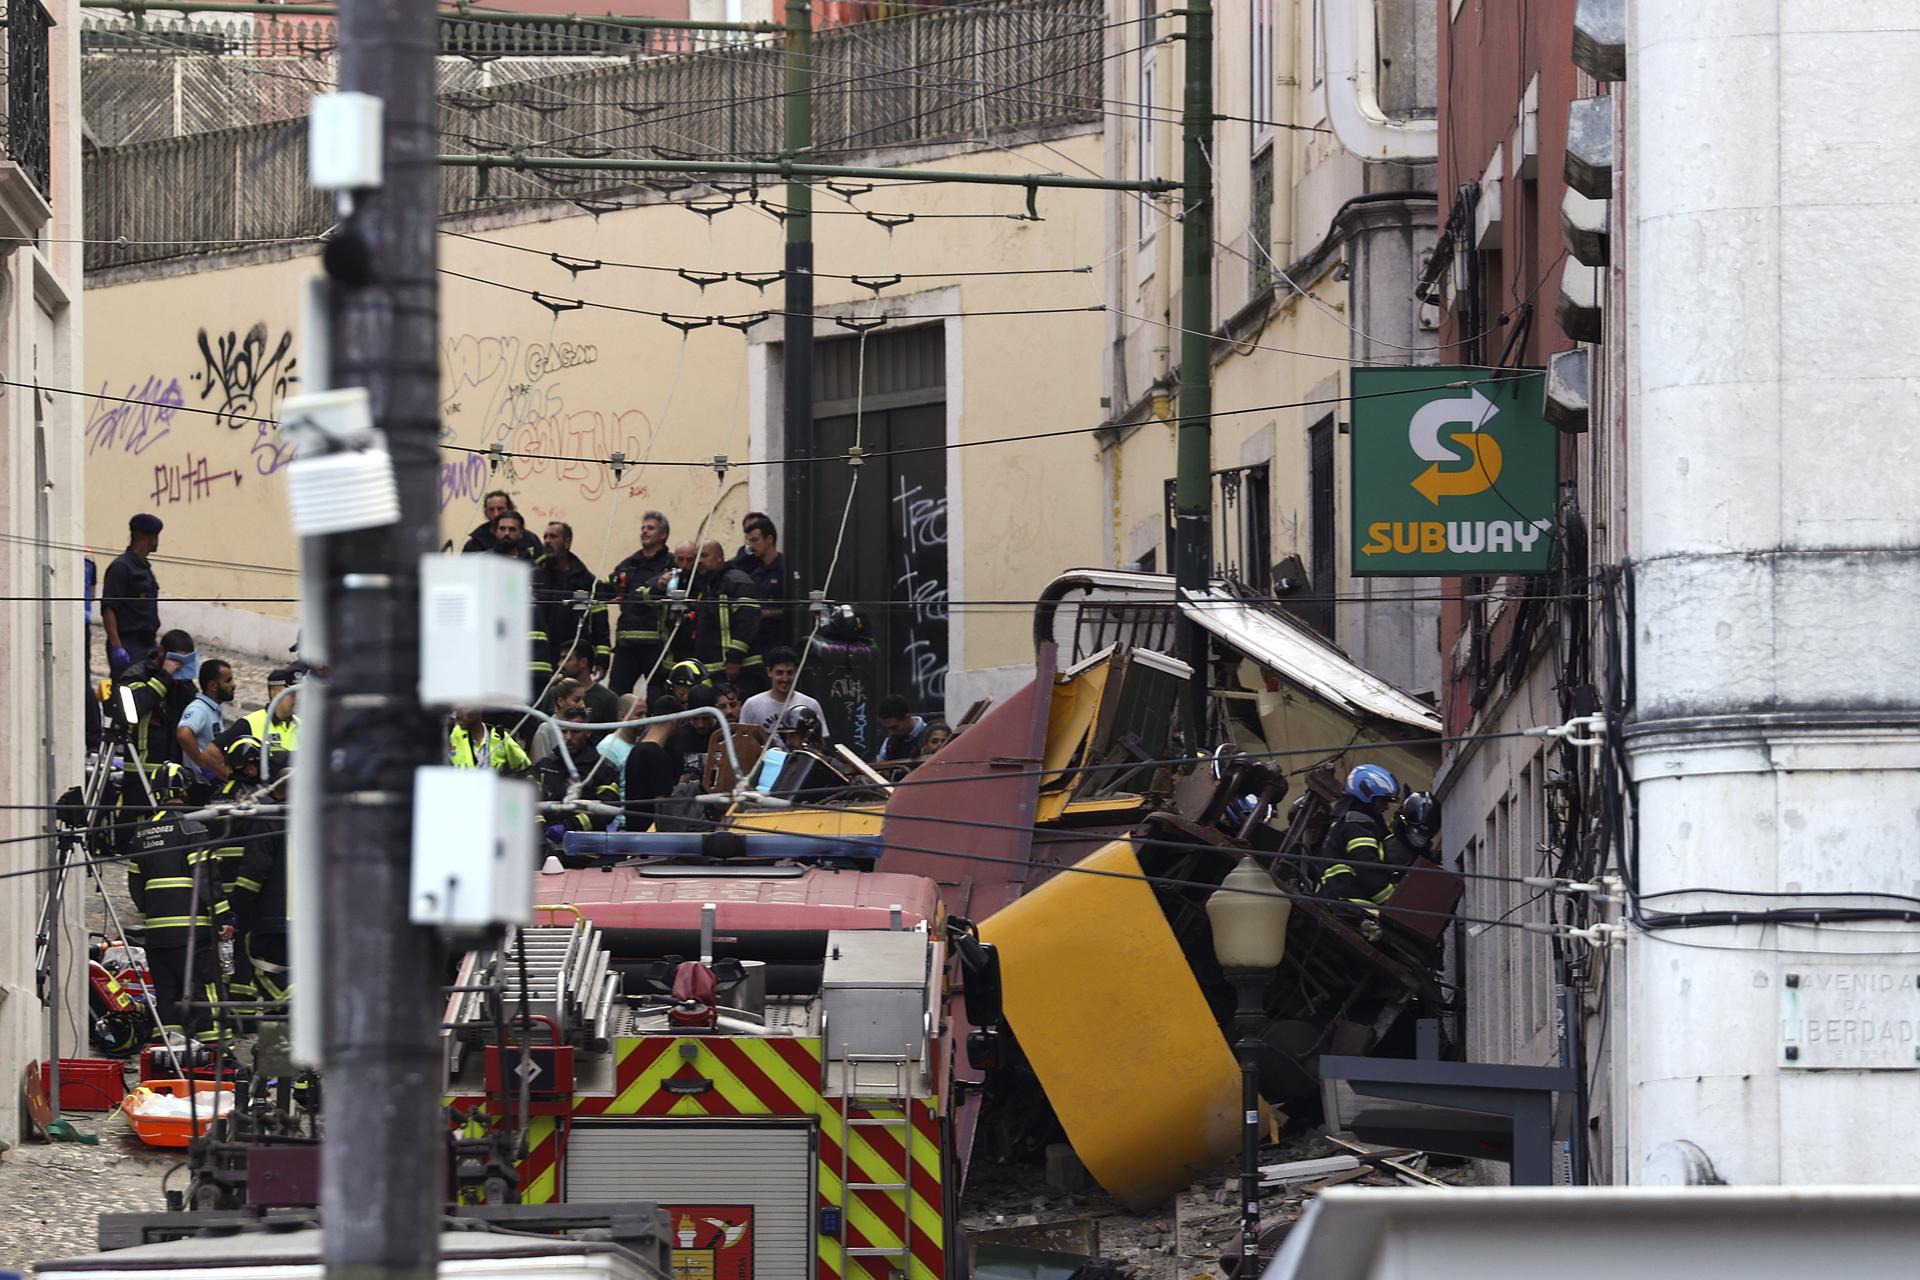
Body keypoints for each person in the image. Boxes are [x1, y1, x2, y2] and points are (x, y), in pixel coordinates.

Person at [127, 762, 223, 1047]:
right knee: (200, 991)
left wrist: (153, 912)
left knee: (166, 995)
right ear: (184, 791)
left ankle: (166, 1053)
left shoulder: (142, 833)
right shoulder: (192, 828)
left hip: (157, 934)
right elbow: (205, 879)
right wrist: (223, 915)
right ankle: (215, 1052)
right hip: (192, 933)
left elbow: (136, 887)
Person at [1315, 764, 1402, 926]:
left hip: (1338, 902)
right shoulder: (1357, 823)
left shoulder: (1346, 820)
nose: (1385, 807)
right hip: (1352, 905)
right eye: (1383, 800)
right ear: (1367, 794)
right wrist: (1394, 904)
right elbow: (1367, 866)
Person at [531, 521, 610, 699]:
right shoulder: (534, 578)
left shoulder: (587, 581)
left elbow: (600, 624)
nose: (547, 541)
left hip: (574, 656)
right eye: (545, 536)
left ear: (567, 542)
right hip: (541, 658)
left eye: (553, 537)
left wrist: (602, 658)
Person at [606, 511, 676, 699]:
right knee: (617, 695)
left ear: (663, 535)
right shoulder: (630, 563)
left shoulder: (670, 563)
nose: (644, 531)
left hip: (655, 643)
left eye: (650, 528)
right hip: (626, 642)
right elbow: (613, 583)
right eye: (643, 528)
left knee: (657, 695)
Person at [110, 634, 195, 771]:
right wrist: (165, 676)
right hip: (141, 768)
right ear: (161, 651)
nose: (178, 667)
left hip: (173, 767)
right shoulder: (136, 675)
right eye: (176, 660)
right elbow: (135, 707)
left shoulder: (182, 681)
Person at [686, 540, 762, 691]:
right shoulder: (707, 588)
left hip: (741, 670)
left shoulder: (737, 581)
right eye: (696, 557)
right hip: (715, 672)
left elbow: (747, 622)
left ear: (720, 557)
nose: (699, 561)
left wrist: (734, 659)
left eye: (704, 556)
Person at [103, 513, 164, 677]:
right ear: (147, 537)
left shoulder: (144, 568)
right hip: (128, 644)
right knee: (128, 691)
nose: (157, 541)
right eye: (156, 536)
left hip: (147, 645)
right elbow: (109, 608)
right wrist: (116, 646)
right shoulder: (121, 567)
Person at [738, 646, 830, 741]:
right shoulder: (752, 705)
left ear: (796, 672)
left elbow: (821, 743)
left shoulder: (811, 705)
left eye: (789, 673)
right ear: (769, 672)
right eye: (779, 673)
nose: (785, 679)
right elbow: (742, 743)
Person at [624, 695, 685, 832]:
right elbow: (662, 807)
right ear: (674, 721)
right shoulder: (659, 756)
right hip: (651, 837)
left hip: (632, 833)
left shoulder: (635, 751)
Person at [739, 514, 787, 673]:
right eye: (749, 541)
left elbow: (792, 607)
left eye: (755, 540)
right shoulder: (755, 573)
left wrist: (766, 613)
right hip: (759, 645)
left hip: (780, 642)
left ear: (769, 539)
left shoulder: (785, 569)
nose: (751, 546)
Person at [177, 659, 235, 783]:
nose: (234, 685)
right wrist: (204, 765)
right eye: (228, 681)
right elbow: (183, 734)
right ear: (213, 686)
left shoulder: (212, 709)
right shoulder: (199, 709)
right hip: (200, 784)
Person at [555, 647, 621, 729]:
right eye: (577, 700)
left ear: (583, 662)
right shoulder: (553, 692)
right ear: (560, 701)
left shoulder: (608, 699)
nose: (560, 664)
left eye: (566, 659)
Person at [449, 707, 532, 772]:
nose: (458, 716)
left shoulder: (500, 737)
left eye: (463, 709)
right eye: (457, 710)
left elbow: (525, 767)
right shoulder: (451, 736)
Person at [462, 489, 540, 558]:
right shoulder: (474, 544)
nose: (496, 514)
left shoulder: (530, 539)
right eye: (491, 510)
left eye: (500, 509)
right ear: (486, 512)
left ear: (510, 509)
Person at [874, 694, 929, 765]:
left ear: (907, 718)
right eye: (887, 728)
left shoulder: (932, 735)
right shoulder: (889, 743)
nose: (890, 732)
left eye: (894, 728)